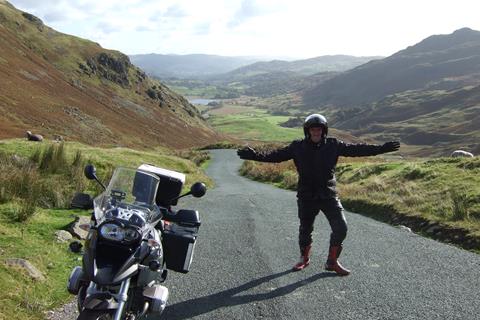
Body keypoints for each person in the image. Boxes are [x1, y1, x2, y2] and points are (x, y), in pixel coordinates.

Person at [237, 114, 400, 275]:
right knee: (305, 229)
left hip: (329, 195)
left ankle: (332, 261)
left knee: (341, 228)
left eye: (319, 129)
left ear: (324, 130)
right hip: (306, 195)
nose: (316, 132)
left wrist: (381, 149)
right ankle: (304, 258)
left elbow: (357, 149)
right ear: (307, 131)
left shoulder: (334, 144)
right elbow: (275, 156)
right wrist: (254, 156)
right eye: (313, 129)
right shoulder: (297, 146)